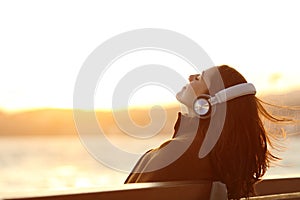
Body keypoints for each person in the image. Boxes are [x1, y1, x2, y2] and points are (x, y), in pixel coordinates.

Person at [125, 65, 290, 199]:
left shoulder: (179, 153)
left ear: (206, 105)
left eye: (199, 78)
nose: (190, 77)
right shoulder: (215, 157)